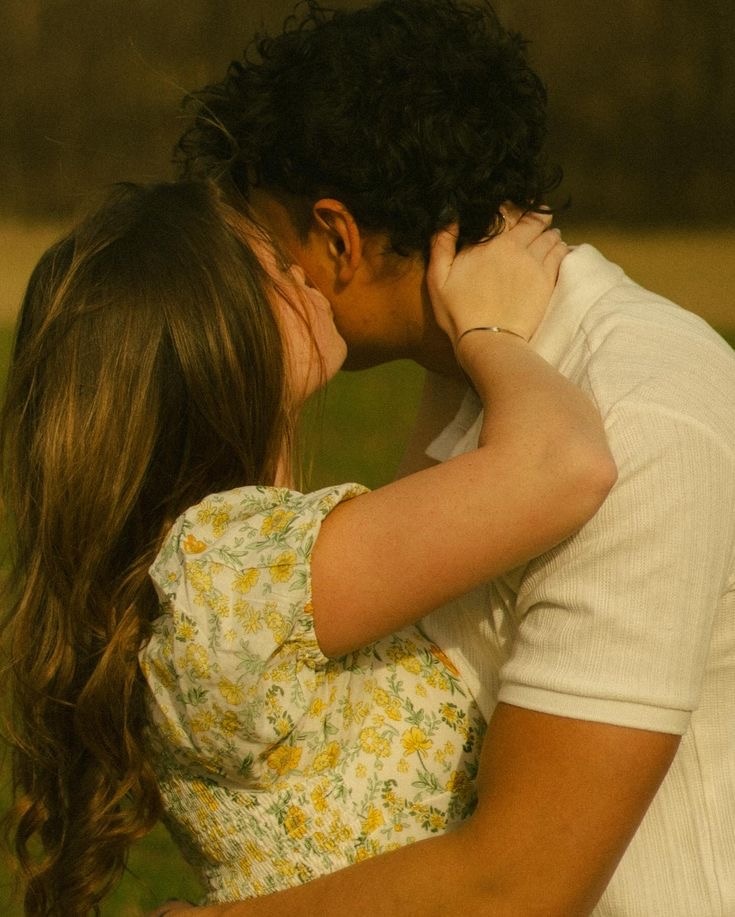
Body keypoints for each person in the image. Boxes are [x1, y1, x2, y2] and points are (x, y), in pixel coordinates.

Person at [160, 0, 735, 914]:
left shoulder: (637, 412)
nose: (246, 286)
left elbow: (521, 882)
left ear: (336, 238)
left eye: (262, 247)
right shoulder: (482, 374)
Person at [0, 177, 613, 916]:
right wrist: (491, 333)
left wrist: (449, 312)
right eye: (277, 271)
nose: (307, 274)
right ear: (221, 336)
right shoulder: (229, 572)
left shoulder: (224, 566)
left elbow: (445, 480)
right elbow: (563, 465)